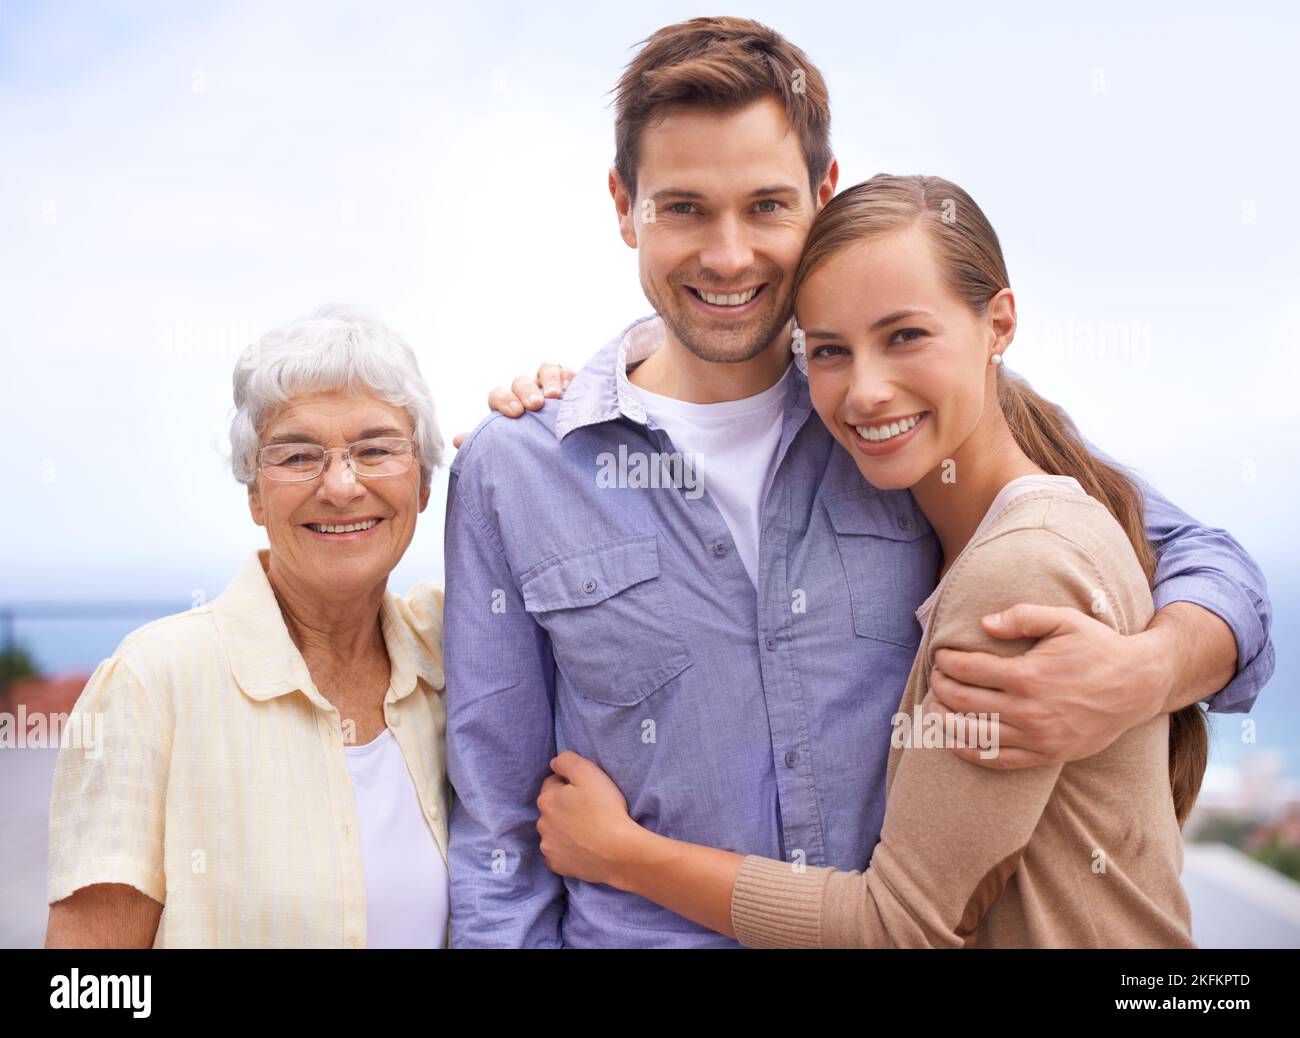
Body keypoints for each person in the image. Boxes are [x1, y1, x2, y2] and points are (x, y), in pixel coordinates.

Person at [444, 18, 1273, 948]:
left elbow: (1207, 565)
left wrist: (1140, 675)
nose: (728, 255)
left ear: (821, 194)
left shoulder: (897, 417)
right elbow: (498, 831)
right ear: (623, 205)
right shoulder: (516, 469)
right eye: (683, 208)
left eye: (766, 205)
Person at [535, 174, 1206, 947]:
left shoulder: (1018, 572)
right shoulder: (975, 530)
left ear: (1000, 324)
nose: (866, 391)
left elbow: (897, 927)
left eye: (905, 336)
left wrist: (624, 855)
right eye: (829, 351)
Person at [46, 305, 451, 948]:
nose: (342, 486)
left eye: (375, 450)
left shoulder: (451, 659)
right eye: (298, 455)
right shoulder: (155, 682)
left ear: (424, 484)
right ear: (255, 495)